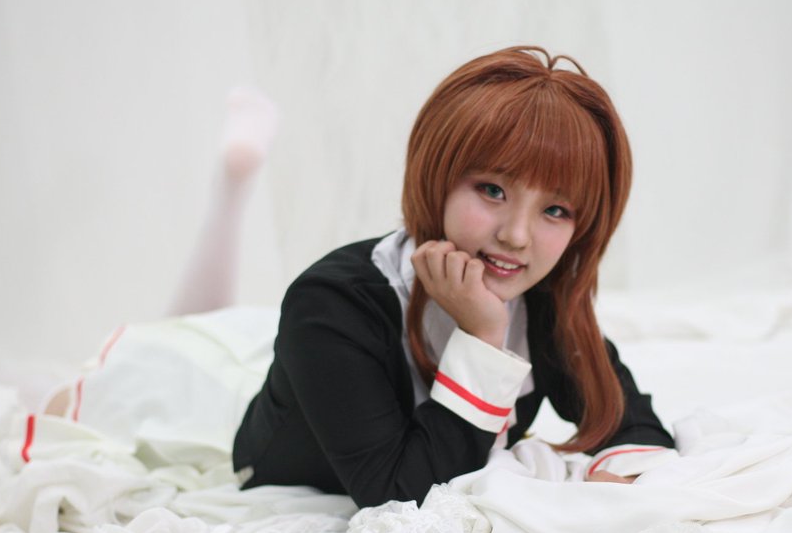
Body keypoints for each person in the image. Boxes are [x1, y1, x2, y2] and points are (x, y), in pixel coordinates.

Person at [232, 46, 677, 508]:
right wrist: (483, 336)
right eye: (493, 190)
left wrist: (618, 475)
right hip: (287, 481)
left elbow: (632, 425)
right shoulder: (333, 302)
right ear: (437, 177)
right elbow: (396, 496)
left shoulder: (539, 298)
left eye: (555, 210)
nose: (516, 236)